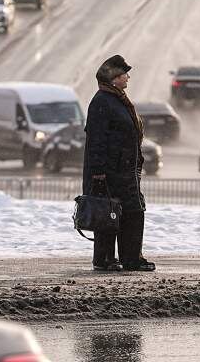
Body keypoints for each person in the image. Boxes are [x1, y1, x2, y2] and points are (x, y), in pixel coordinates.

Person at [83, 55, 154, 273]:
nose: (128, 78)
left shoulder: (117, 100)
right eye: (124, 74)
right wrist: (98, 174)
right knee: (108, 213)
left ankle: (131, 257)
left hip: (126, 171)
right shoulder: (102, 102)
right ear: (114, 78)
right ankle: (105, 259)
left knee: (131, 211)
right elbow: (96, 140)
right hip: (111, 172)